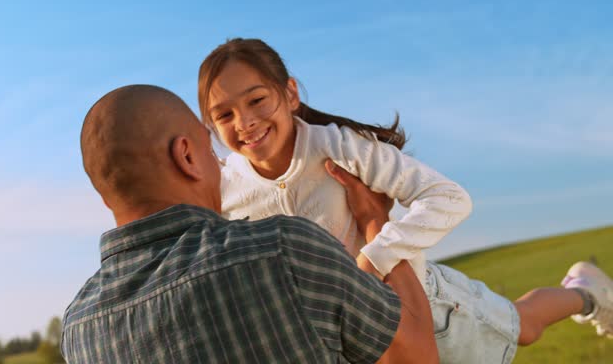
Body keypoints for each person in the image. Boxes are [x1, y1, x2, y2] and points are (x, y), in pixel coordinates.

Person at [197, 38, 613, 363]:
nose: (245, 122)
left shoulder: (341, 147)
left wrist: (373, 260)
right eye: (225, 115)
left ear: (289, 94)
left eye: (256, 100)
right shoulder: (226, 189)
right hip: (343, 339)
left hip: (423, 305)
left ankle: (585, 291)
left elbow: (449, 198)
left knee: (525, 327)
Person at [62, 85, 438, 363]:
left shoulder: (77, 330)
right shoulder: (284, 249)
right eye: (211, 152)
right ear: (187, 156)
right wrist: (376, 221)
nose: (221, 168)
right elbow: (416, 356)